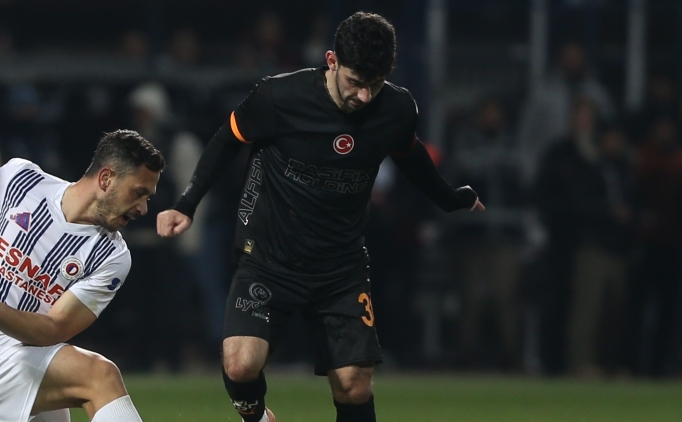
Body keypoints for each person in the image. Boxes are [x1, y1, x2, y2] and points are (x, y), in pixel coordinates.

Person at [157, 11, 484, 422]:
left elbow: (410, 156)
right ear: (332, 61)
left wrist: (450, 198)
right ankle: (257, 417)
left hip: (340, 267)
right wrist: (186, 204)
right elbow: (228, 139)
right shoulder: (279, 97)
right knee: (240, 365)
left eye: (375, 83)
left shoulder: (396, 109)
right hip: (268, 258)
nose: (364, 96)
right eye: (355, 81)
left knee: (354, 384)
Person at [0, 129, 165, 421]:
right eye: (138, 193)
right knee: (99, 376)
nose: (143, 208)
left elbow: (52, 329)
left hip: (21, 353)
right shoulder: (19, 180)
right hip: (15, 358)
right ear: (106, 179)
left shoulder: (111, 255)